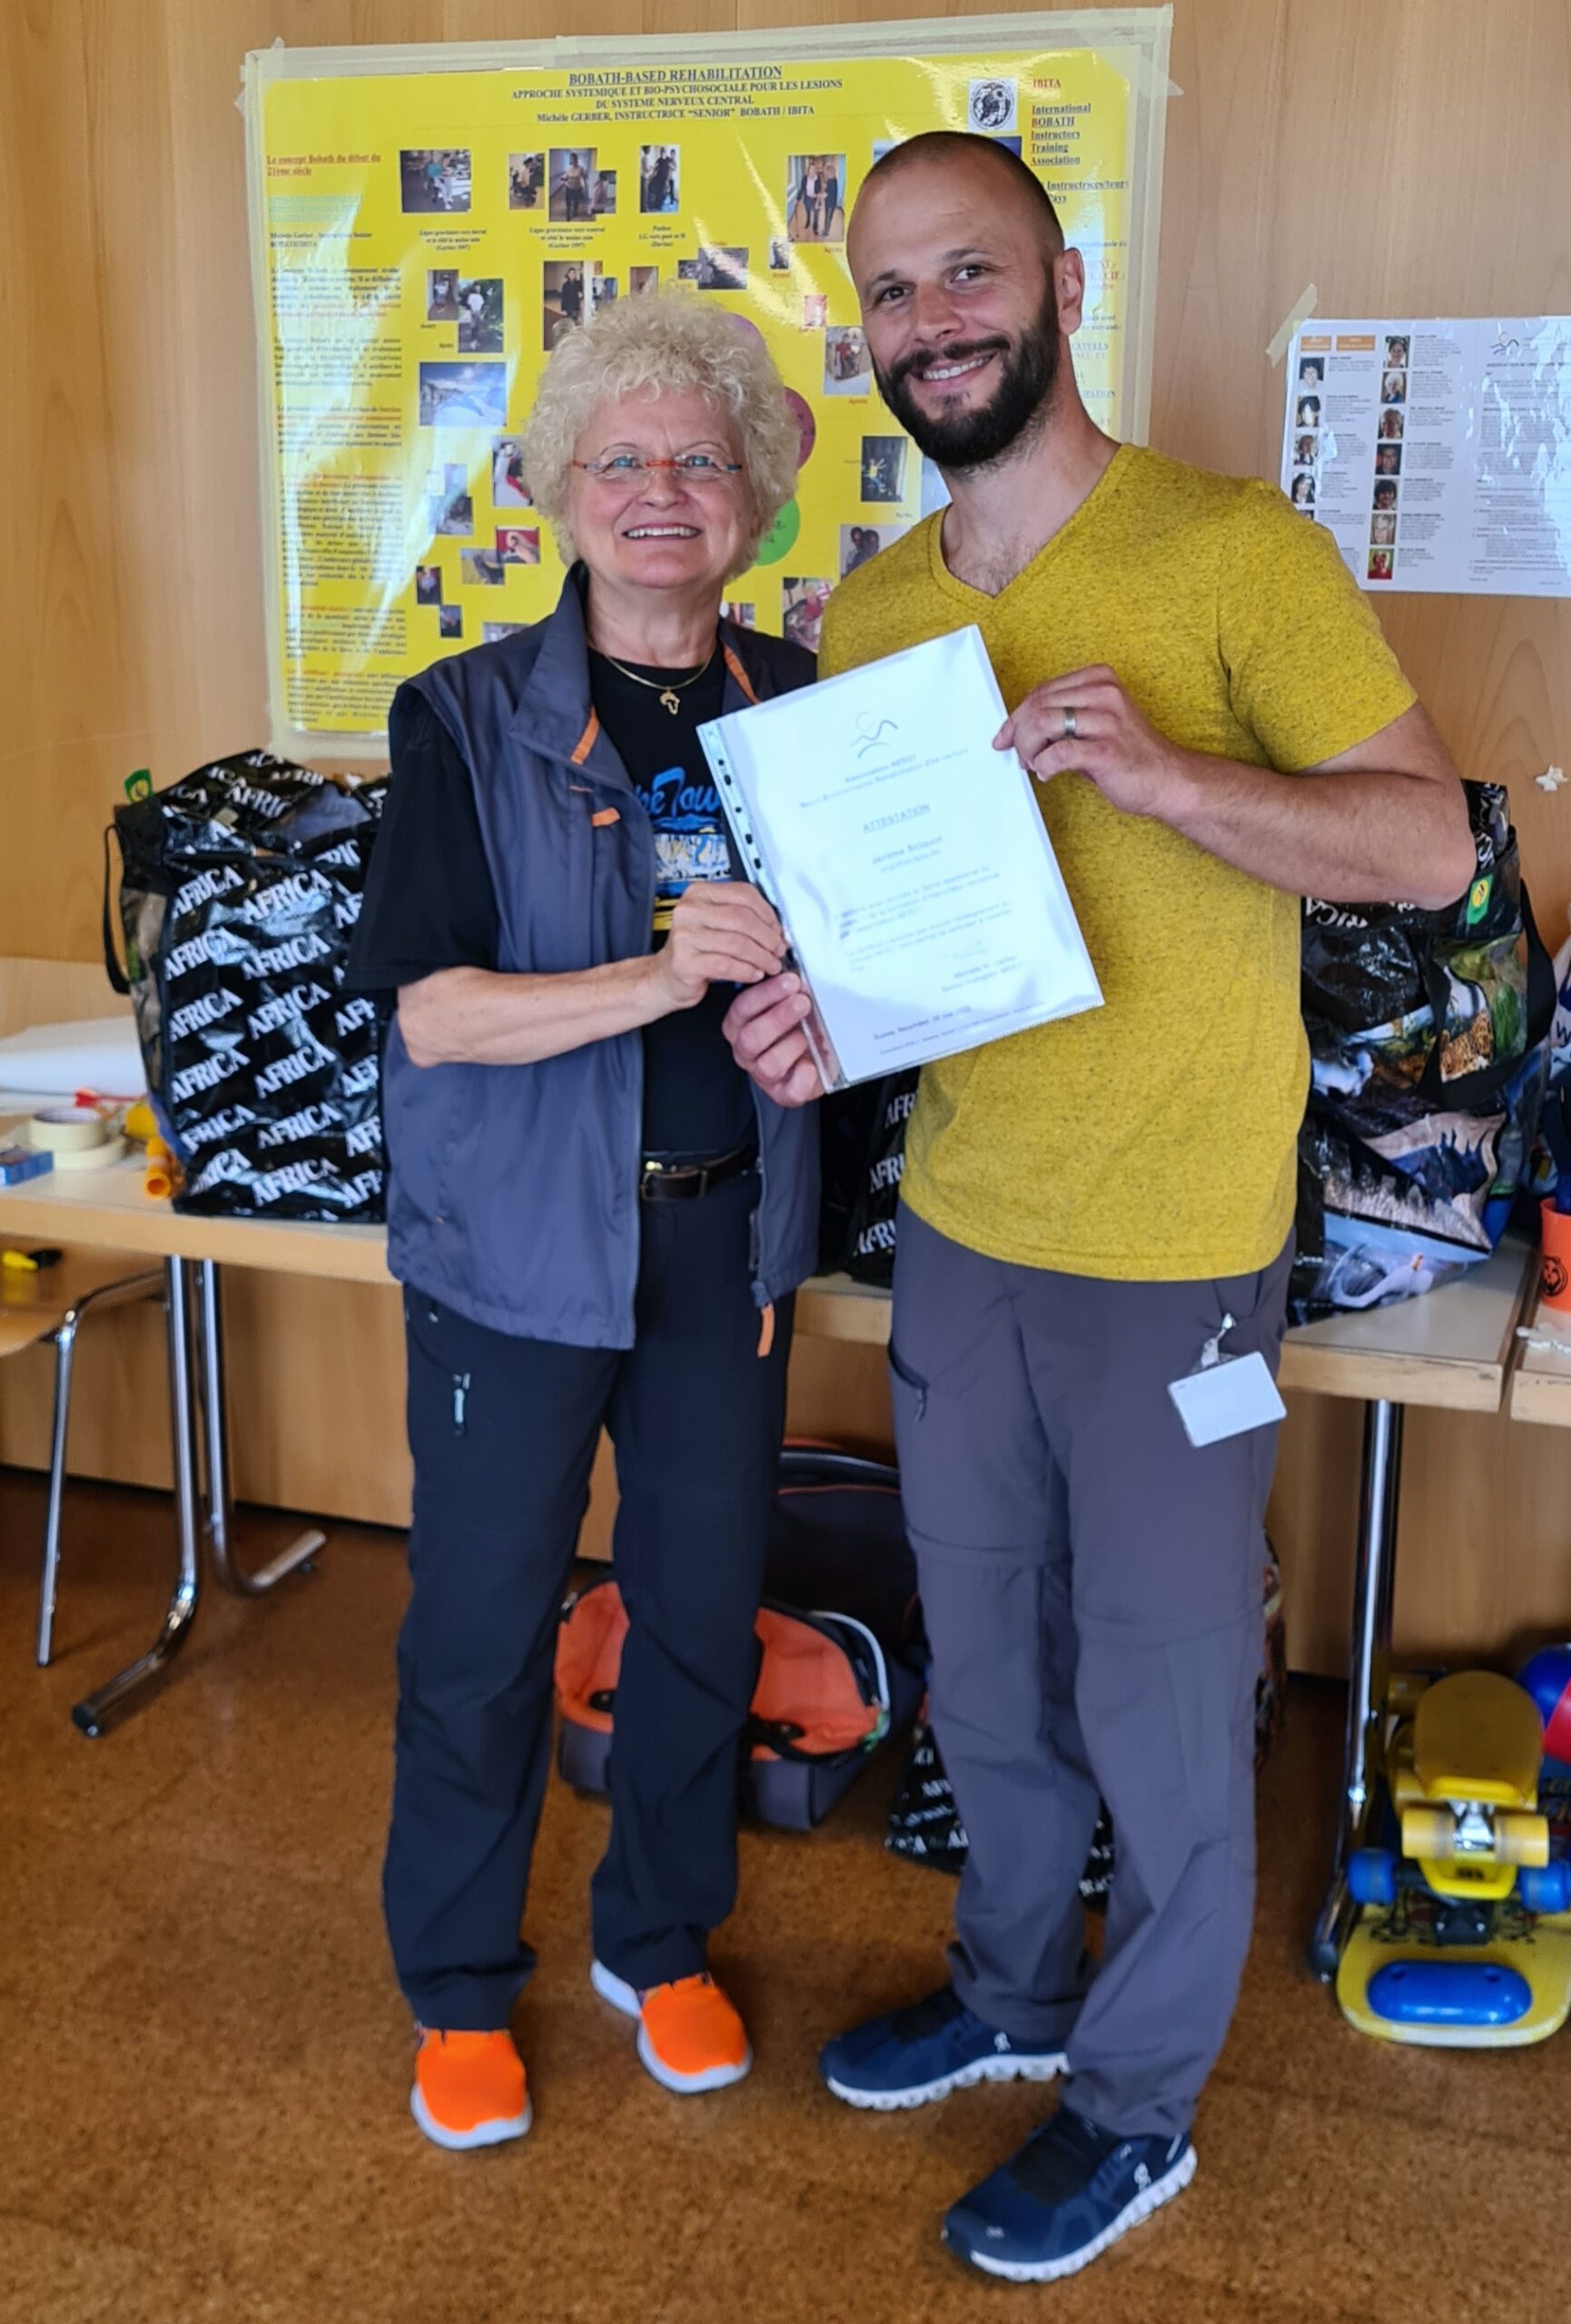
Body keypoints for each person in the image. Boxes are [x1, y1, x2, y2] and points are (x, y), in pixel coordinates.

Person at [721, 129, 1473, 2284]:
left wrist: (1162, 775)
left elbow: (1428, 845)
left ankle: (1135, 2106)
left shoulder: (1235, 552)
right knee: (988, 1667)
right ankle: (1012, 1990)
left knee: (1159, 1695)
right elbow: (905, 938)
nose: (930, 321)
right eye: (890, 291)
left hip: (1174, 1260)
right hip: (964, 1228)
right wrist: (822, 1020)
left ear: (1061, 281)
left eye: (968, 271)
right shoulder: (876, 609)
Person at [347, 289, 815, 2153]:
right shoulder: (462, 715)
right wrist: (660, 975)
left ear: (754, 495)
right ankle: (461, 1985)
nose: (658, 490)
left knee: (697, 1617)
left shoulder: (801, 704)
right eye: (618, 458)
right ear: (557, 490)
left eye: (699, 457)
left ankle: (660, 1938)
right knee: (479, 1632)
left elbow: (860, 970)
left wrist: (827, 1028)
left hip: (725, 1247)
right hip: (516, 1254)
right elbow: (435, 1014)